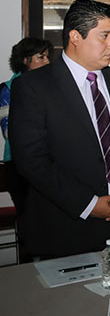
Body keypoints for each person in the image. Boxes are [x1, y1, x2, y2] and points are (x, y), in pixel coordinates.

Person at [9, 0, 110, 258]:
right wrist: (89, 204)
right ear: (75, 37)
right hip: (68, 227)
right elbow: (32, 159)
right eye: (104, 36)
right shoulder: (34, 87)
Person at [1, 37, 52, 213]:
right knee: (29, 219)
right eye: (41, 57)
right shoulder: (8, 89)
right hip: (18, 165)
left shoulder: (49, 87)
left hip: (47, 163)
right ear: (25, 60)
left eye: (47, 56)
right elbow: (10, 132)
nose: (47, 61)